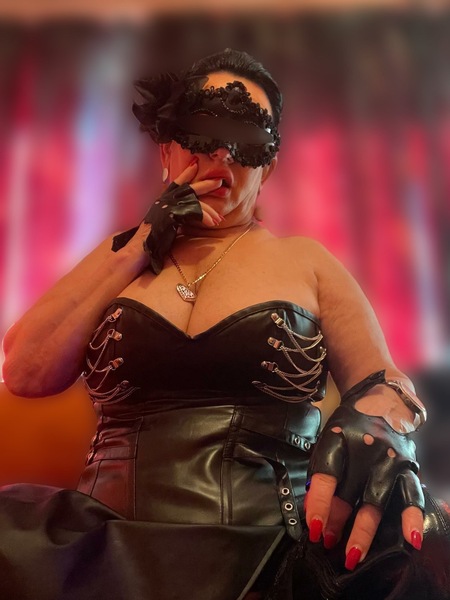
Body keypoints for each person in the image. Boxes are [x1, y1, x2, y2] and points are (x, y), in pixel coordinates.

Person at [1, 48, 449, 600]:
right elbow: (26, 370)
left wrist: (382, 427)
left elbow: (382, 381)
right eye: (202, 130)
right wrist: (141, 243)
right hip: (108, 549)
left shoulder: (306, 263)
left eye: (247, 139)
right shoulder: (118, 255)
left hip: (266, 552)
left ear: (269, 166)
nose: (222, 153)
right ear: (167, 149)